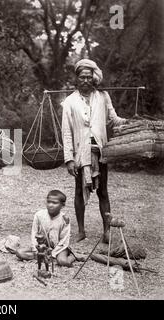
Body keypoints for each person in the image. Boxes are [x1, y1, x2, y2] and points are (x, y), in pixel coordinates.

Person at [61, 59, 129, 243]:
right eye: (82, 77)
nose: (85, 80)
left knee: (103, 191)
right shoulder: (69, 101)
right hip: (80, 152)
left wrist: (128, 122)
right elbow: (66, 132)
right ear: (77, 79)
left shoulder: (103, 97)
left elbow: (113, 119)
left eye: (88, 77)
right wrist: (69, 159)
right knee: (78, 190)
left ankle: (107, 231)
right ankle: (81, 231)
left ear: (94, 78)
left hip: (99, 150)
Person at [16, 190, 84, 267]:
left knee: (63, 261)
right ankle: (42, 257)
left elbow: (64, 240)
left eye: (55, 203)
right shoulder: (39, 215)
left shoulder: (64, 219)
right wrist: (35, 250)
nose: (50, 205)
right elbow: (34, 234)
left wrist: (53, 254)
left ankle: (72, 257)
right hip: (42, 246)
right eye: (48, 202)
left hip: (58, 248)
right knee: (20, 252)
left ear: (62, 205)